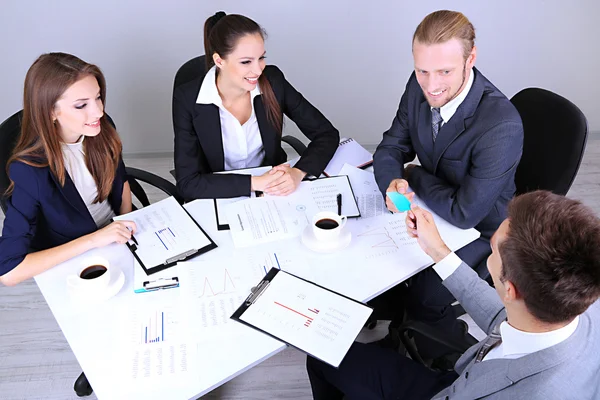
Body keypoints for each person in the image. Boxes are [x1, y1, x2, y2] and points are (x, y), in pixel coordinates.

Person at [307, 191, 600, 399]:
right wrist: (438, 250)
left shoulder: (537, 392)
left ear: (509, 290)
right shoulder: (577, 294)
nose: (490, 248)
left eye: (493, 248)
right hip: (459, 381)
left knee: (321, 357)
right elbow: (505, 317)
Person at [371, 10, 524, 356]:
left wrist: (412, 175)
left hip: (482, 228)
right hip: (433, 204)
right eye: (422, 70)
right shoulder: (418, 85)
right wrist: (393, 179)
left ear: (471, 58)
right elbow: (392, 145)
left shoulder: (501, 125)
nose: (430, 84)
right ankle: (397, 320)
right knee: (377, 259)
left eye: (444, 71)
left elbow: (465, 212)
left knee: (426, 293)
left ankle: (436, 352)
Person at [0, 53, 136, 286]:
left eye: (98, 98)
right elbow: (9, 271)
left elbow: (120, 180)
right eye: (81, 105)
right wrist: (95, 240)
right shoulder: (29, 170)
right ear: (50, 111)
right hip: (81, 254)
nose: (98, 112)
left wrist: (126, 221)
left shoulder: (101, 130)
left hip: (119, 235)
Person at [173, 12, 339, 201]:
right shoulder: (188, 99)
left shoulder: (273, 81)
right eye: (246, 62)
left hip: (272, 192)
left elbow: (326, 134)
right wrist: (257, 182)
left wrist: (298, 172)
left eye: (261, 58)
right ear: (219, 61)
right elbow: (188, 183)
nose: (258, 69)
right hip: (219, 194)